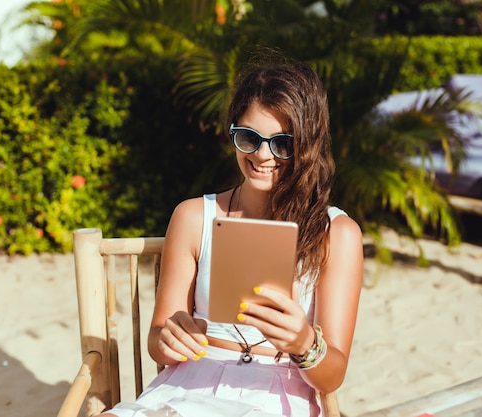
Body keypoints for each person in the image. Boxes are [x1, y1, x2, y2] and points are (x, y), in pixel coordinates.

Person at [100, 59, 363, 417]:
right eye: (249, 138)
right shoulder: (193, 217)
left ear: (309, 144)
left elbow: (332, 377)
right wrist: (170, 338)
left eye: (283, 143)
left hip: (276, 392)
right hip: (185, 387)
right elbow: (158, 343)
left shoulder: (335, 233)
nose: (262, 155)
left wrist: (304, 342)